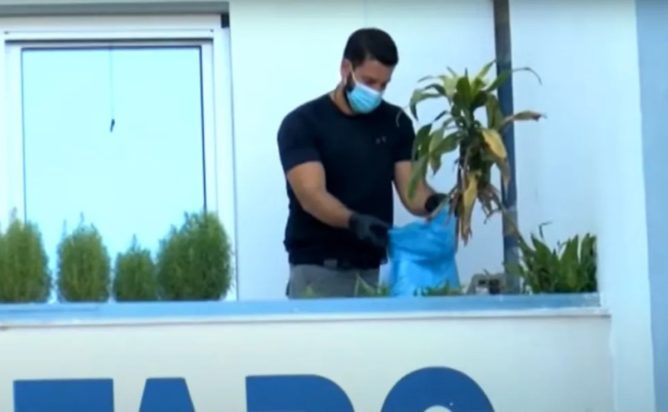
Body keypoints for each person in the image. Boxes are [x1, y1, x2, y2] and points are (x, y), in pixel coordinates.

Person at [277, 27, 445, 299]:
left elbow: (412, 191)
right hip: (318, 269)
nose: (376, 92)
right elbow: (311, 196)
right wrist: (354, 221)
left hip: (370, 271)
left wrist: (435, 202)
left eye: (384, 85)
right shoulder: (303, 123)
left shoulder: (395, 122)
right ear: (346, 69)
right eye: (369, 81)